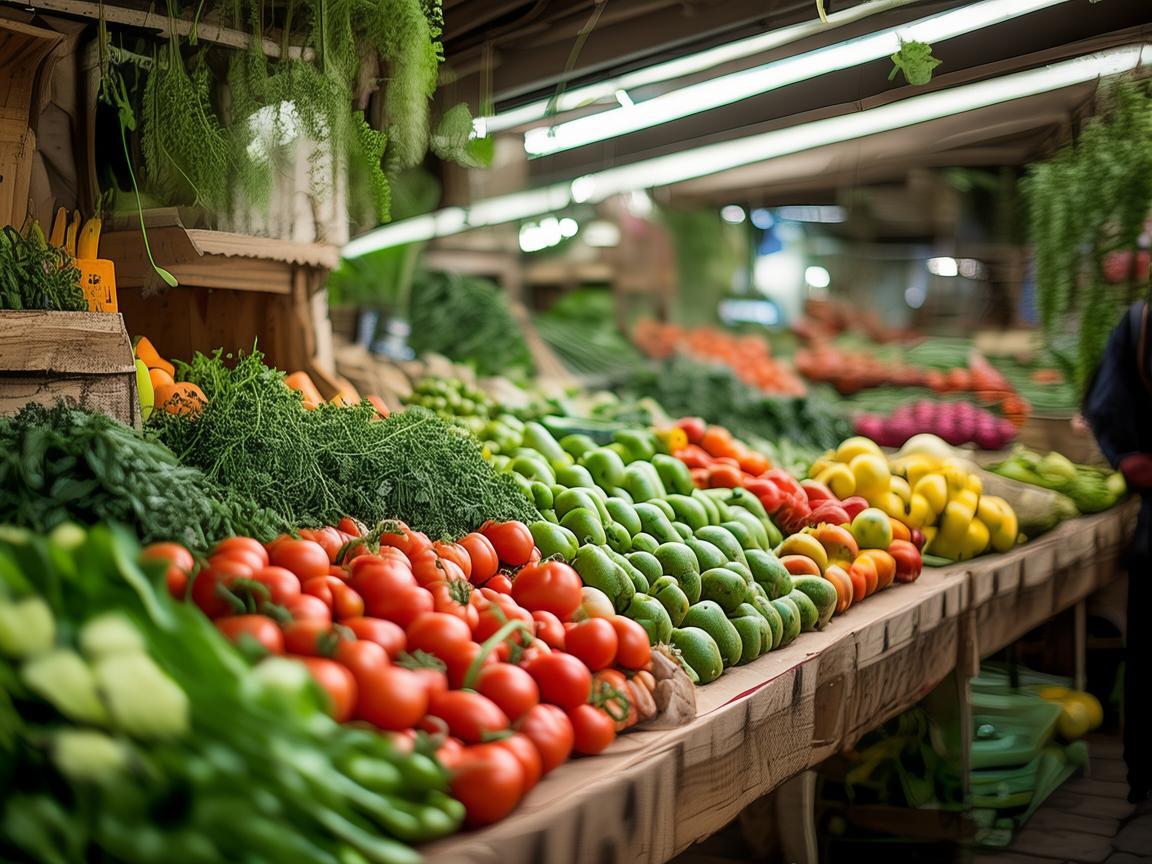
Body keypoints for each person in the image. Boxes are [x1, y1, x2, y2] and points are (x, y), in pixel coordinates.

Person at [1082, 299, 1152, 803]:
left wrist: (1131, 461)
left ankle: (1143, 774)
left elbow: (1105, 410)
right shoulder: (1138, 324)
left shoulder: (1141, 322)